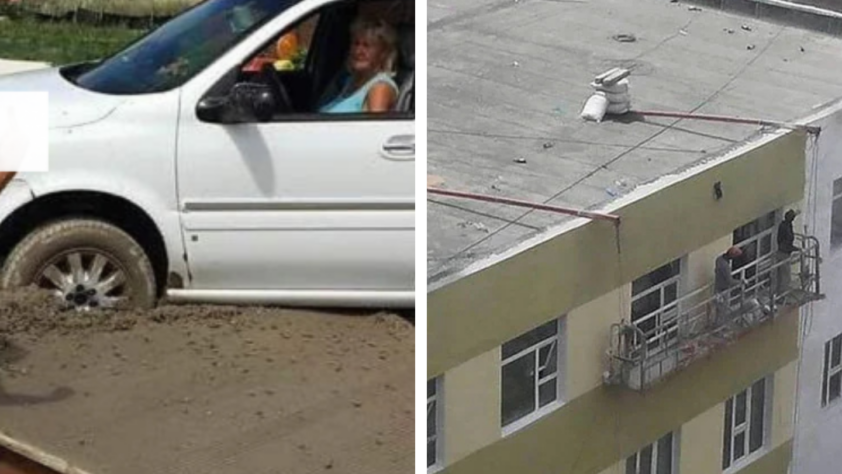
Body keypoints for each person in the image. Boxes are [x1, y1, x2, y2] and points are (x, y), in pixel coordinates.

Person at [319, 17, 398, 113]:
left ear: (382, 53)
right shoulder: (350, 82)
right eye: (356, 44)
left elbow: (376, 127)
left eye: (366, 45)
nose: (358, 51)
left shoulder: (380, 88)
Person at [714, 246, 768, 327]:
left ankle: (718, 326)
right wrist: (741, 282)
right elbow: (730, 281)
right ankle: (721, 329)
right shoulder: (725, 266)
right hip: (723, 290)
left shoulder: (719, 259)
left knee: (719, 310)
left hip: (717, 287)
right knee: (723, 310)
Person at [776, 210, 799, 301]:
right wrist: (795, 249)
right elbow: (786, 243)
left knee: (781, 275)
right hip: (784, 253)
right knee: (785, 276)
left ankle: (780, 295)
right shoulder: (786, 228)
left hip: (782, 252)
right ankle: (782, 296)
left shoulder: (785, 225)